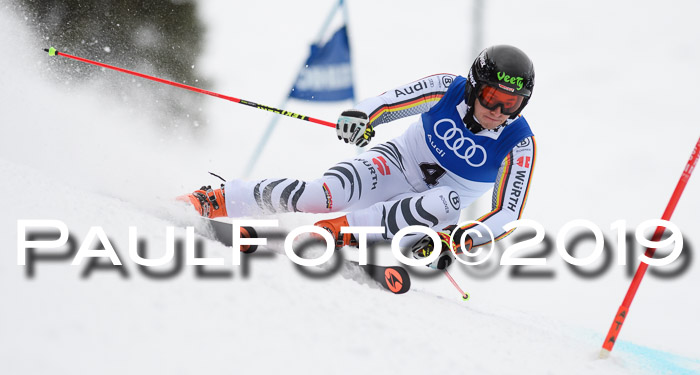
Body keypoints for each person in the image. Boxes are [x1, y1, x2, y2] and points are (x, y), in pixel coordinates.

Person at [180, 44, 537, 270]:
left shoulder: (520, 144)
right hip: (396, 162)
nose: (498, 110)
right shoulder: (449, 87)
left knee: (448, 200)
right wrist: (361, 117)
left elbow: (507, 214)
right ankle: (214, 200)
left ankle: (337, 233)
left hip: (429, 216)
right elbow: (388, 102)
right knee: (319, 196)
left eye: (512, 104)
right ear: (475, 86)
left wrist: (459, 240)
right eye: (492, 96)